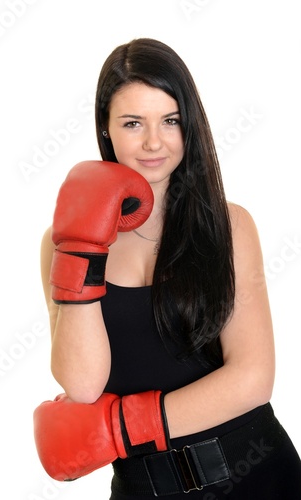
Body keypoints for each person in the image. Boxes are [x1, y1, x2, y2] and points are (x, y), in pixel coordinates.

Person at [33, 38, 301, 499]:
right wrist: (82, 246)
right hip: (143, 489)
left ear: (188, 126)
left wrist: (121, 430)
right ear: (106, 129)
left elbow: (253, 379)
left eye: (170, 121)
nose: (154, 141)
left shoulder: (228, 224)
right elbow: (83, 382)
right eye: (133, 123)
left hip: (255, 474)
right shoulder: (61, 242)